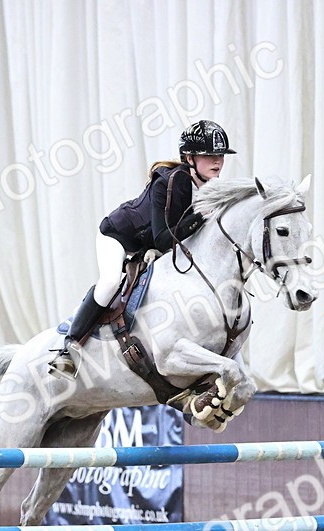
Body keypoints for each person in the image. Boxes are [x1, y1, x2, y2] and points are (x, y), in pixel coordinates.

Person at [48, 120, 237, 379]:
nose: (217, 161)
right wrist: (198, 217)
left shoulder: (208, 186)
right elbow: (162, 239)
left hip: (149, 244)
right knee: (111, 281)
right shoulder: (170, 182)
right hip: (118, 235)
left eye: (220, 155)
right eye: (209, 156)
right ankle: (69, 348)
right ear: (190, 158)